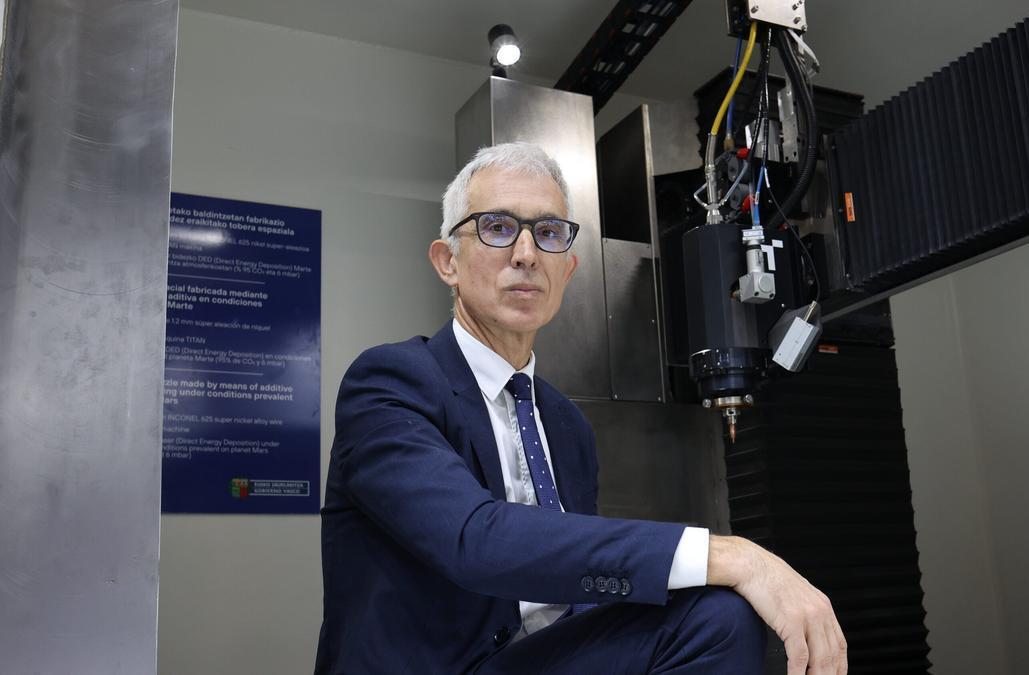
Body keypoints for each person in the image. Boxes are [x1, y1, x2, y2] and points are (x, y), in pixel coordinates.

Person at [315, 142, 847, 674]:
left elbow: (577, 589)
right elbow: (473, 540)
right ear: (448, 262)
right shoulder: (389, 383)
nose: (525, 253)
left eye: (547, 234)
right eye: (497, 227)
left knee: (718, 617)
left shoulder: (566, 424)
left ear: (566, 272)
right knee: (724, 588)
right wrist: (730, 555)